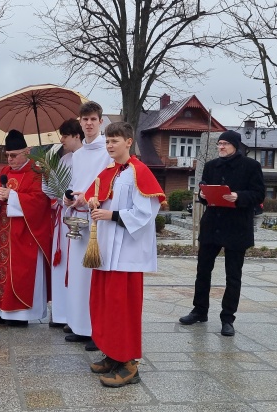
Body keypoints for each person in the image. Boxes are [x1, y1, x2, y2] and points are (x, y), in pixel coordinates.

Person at [83, 121, 166, 388]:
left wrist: (111, 215)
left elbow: (145, 213)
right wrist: (94, 201)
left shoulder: (138, 171)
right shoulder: (112, 172)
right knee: (106, 306)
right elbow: (96, 195)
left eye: (114, 141)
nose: (109, 145)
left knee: (123, 309)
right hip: (106, 252)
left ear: (128, 142)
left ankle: (129, 365)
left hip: (126, 255)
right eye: (107, 141)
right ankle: (113, 355)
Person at [179, 130, 265, 337]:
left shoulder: (251, 166)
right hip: (212, 225)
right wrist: (203, 194)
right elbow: (205, 193)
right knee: (203, 271)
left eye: (225, 143)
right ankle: (199, 311)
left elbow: (259, 194)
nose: (221, 147)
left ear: (235, 145)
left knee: (233, 276)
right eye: (219, 144)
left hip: (237, 226)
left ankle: (228, 318)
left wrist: (238, 196)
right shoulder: (211, 166)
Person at [0, 129, 53, 326]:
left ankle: (20, 315)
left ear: (26, 151)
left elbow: (40, 202)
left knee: (21, 273)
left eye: (14, 155)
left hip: (25, 234)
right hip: (1, 232)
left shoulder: (37, 173)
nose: (9, 159)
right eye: (7, 155)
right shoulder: (4, 172)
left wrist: (13, 196)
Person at [62, 101, 112, 351]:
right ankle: (80, 326)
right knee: (78, 276)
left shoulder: (108, 152)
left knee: (94, 276)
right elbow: (74, 184)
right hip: (78, 220)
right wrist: (68, 198)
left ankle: (96, 330)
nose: (89, 123)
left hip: (97, 219)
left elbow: (109, 183)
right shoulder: (78, 155)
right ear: (80, 123)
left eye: (93, 119)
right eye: (85, 119)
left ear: (100, 122)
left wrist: (89, 196)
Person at [48, 118, 84, 328]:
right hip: (62, 217)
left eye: (65, 135)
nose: (61, 140)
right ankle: (60, 312)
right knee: (60, 264)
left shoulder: (88, 157)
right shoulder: (64, 159)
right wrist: (47, 174)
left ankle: (74, 316)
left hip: (79, 218)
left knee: (75, 266)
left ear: (76, 136)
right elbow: (52, 189)